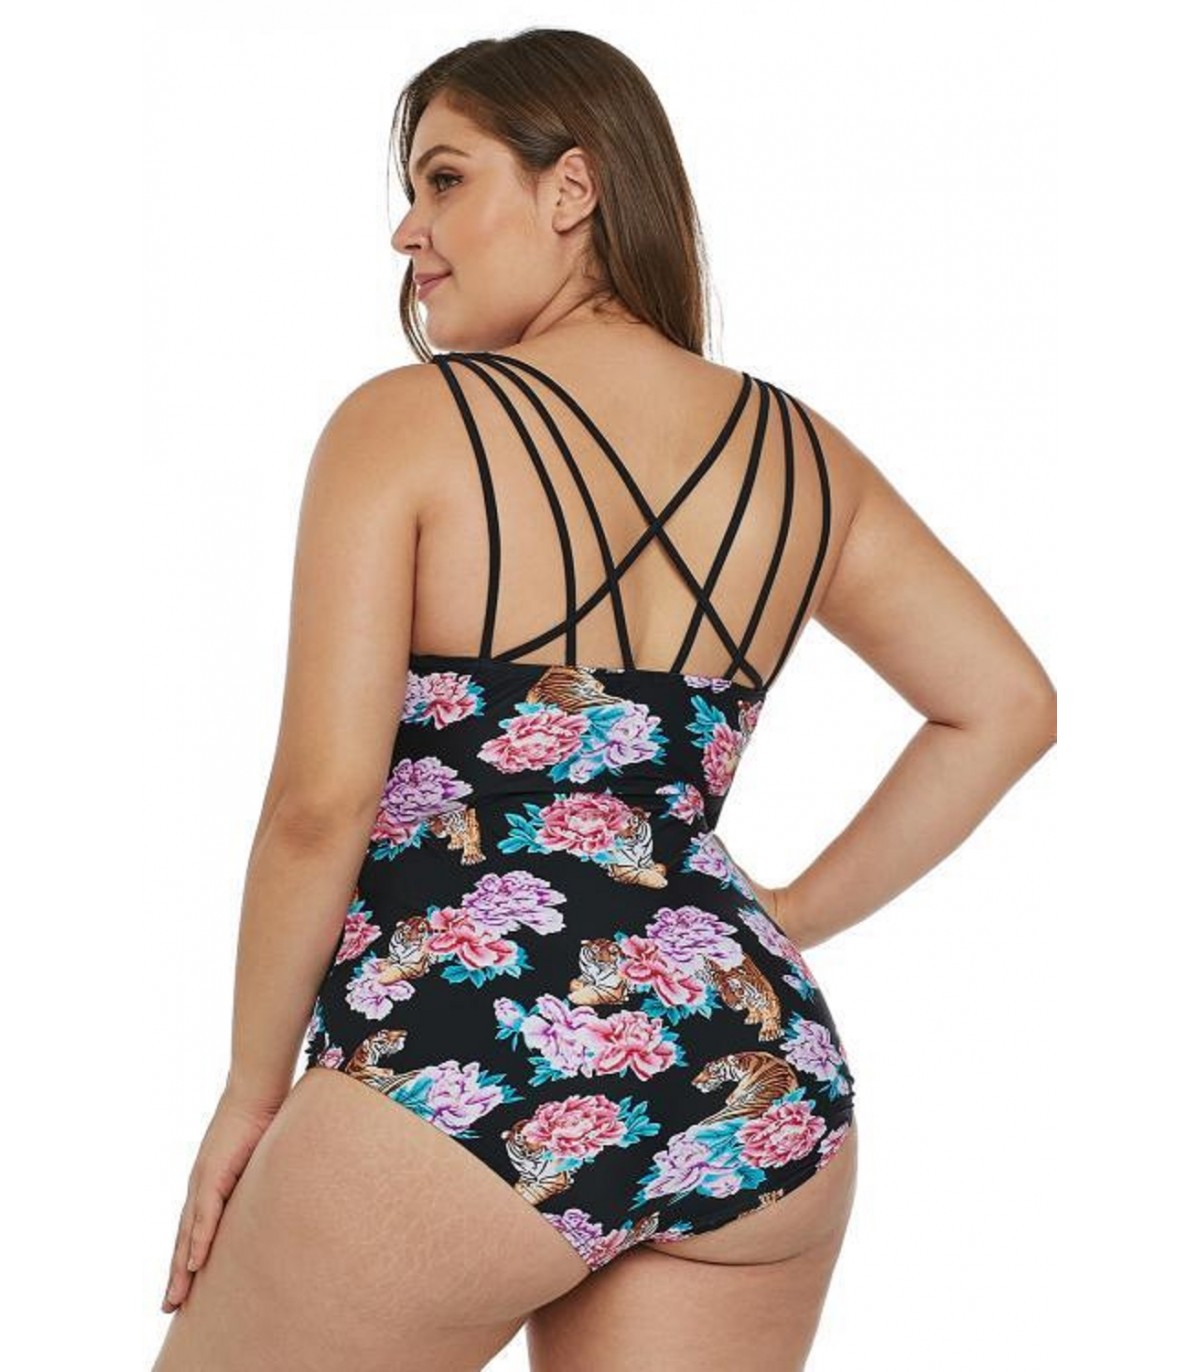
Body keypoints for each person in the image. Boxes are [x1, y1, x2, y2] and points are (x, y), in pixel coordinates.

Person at [152, 27, 1056, 1372]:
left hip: (463, 1049)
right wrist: (774, 920)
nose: (408, 230)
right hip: (752, 1086)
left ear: (571, 188)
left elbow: (319, 805)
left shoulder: (406, 424)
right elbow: (1007, 705)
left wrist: (247, 1095)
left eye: (446, 178)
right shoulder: (801, 457)